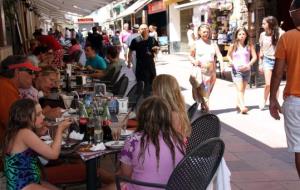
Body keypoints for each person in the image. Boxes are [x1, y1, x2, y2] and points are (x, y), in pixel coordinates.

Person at [104, 96, 185, 190]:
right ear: (167, 118)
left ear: (141, 117)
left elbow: (125, 175)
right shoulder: (179, 140)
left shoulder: (133, 141)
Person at [2, 99, 71, 189]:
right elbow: (53, 154)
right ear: (25, 117)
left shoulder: (18, 132)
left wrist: (38, 134)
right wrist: (60, 129)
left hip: (27, 181)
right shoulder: (25, 133)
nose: (43, 117)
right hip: (22, 185)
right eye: (38, 114)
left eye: (42, 113)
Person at [270, 0, 300, 177]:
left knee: (299, 150)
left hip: (295, 103)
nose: (290, 15)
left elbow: (277, 72)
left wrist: (272, 98)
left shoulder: (287, 38)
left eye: (292, 11)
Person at [189, 24, 224, 112]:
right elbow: (190, 56)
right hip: (201, 71)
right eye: (204, 32)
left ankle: (203, 105)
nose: (206, 33)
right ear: (199, 32)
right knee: (204, 90)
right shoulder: (196, 44)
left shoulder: (213, 43)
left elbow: (219, 55)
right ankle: (206, 108)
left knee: (207, 91)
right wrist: (194, 61)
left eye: (207, 32)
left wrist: (222, 64)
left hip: (211, 71)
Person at [227, 27, 257, 114]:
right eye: (240, 34)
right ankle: (243, 106)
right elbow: (228, 55)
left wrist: (248, 65)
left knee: (242, 89)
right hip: (237, 70)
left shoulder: (249, 46)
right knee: (240, 89)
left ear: (246, 35)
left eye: (243, 34)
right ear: (236, 35)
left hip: (247, 70)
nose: (242, 36)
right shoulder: (233, 46)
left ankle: (238, 103)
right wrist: (232, 62)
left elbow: (254, 57)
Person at [259, 16, 285, 110]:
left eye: (264, 23)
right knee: (268, 84)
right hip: (267, 60)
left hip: (278, 60)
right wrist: (260, 64)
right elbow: (261, 50)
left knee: (276, 84)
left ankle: (275, 103)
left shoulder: (280, 33)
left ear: (270, 24)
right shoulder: (262, 35)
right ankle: (264, 100)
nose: (262, 25)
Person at [128, 24, 159, 97]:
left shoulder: (152, 39)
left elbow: (157, 49)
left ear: (148, 29)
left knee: (151, 81)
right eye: (142, 29)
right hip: (140, 64)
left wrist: (156, 50)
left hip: (150, 64)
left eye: (145, 28)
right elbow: (130, 51)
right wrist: (129, 62)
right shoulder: (135, 40)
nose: (144, 30)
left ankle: (149, 96)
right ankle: (140, 96)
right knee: (140, 81)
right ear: (139, 31)